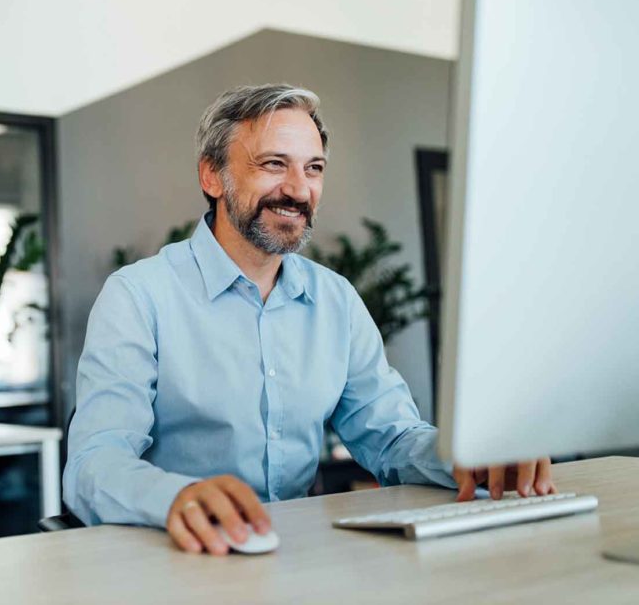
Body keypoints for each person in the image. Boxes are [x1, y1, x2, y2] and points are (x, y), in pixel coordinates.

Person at [63, 83, 555, 555]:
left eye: (314, 168)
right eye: (274, 164)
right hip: (172, 557)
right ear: (212, 176)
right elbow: (94, 463)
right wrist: (173, 498)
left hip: (295, 558)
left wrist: (468, 458)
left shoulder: (335, 300)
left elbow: (390, 436)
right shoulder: (138, 296)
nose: (298, 190)